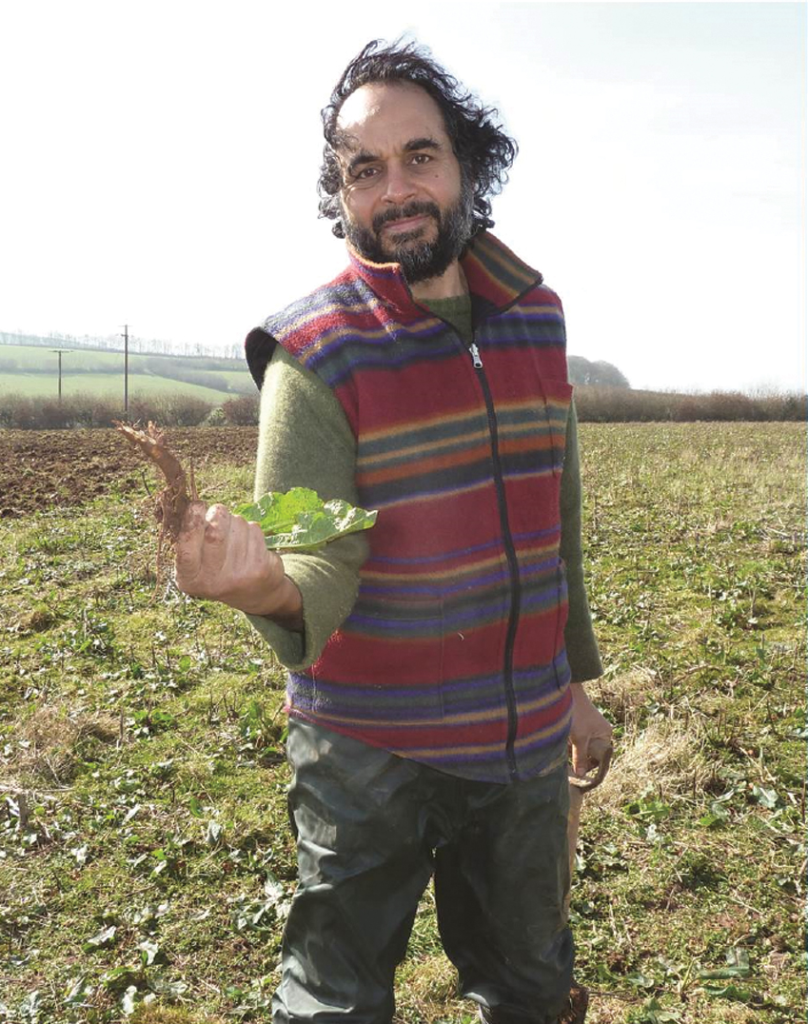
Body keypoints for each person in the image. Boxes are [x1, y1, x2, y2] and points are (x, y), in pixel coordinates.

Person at [175, 39, 613, 1024]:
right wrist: (259, 584)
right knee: (336, 1001)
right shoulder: (315, 355)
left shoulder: (535, 318)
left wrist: (572, 685)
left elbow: (555, 525)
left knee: (533, 987)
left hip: (522, 742)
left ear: (466, 163)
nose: (395, 189)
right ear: (340, 196)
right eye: (363, 170)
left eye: (419, 156)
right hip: (366, 750)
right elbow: (315, 556)